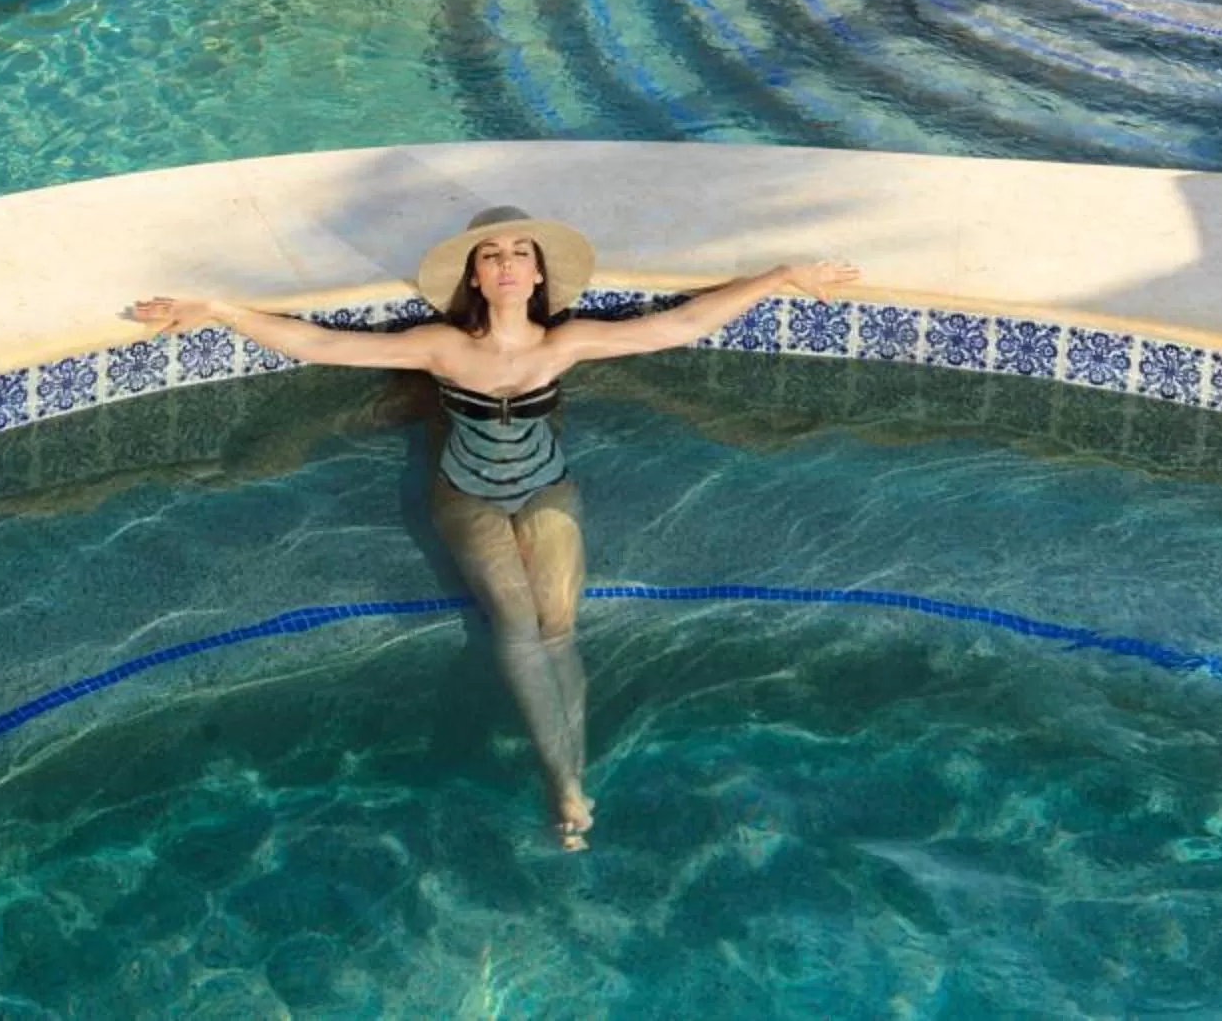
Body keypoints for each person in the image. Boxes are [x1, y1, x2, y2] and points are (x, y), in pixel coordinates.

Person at [131, 206, 859, 850]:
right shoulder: (446, 349)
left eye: (520, 254)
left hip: (547, 487)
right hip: (466, 496)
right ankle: (559, 780)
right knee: (516, 620)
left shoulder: (564, 342)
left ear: (538, 276)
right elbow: (324, 345)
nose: (507, 264)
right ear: (475, 280)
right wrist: (222, 310)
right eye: (492, 256)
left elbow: (675, 325)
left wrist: (781, 275)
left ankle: (577, 769)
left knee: (559, 623)